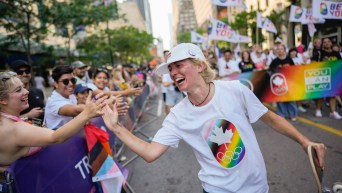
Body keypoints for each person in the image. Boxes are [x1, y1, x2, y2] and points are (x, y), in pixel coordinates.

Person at [100, 43, 327, 193]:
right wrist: (116, 127)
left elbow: (271, 118)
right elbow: (150, 153)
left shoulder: (235, 90)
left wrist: (305, 142)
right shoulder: (178, 115)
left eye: (179, 65)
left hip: (258, 187)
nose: (173, 73)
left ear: (199, 65)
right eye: (170, 69)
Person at [0, 71, 107, 167]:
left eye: (23, 87)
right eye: (18, 90)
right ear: (3, 100)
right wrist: (86, 114)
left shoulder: (10, 121)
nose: (26, 91)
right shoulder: (14, 128)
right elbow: (55, 137)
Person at [269, 44, 298, 121]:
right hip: (279, 83)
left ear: (285, 50)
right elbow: (270, 71)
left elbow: (294, 70)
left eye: (281, 49)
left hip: (289, 82)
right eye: (278, 49)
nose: (279, 50)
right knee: (280, 99)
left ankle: (292, 115)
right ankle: (281, 114)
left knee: (291, 99)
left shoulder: (289, 60)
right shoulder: (274, 61)